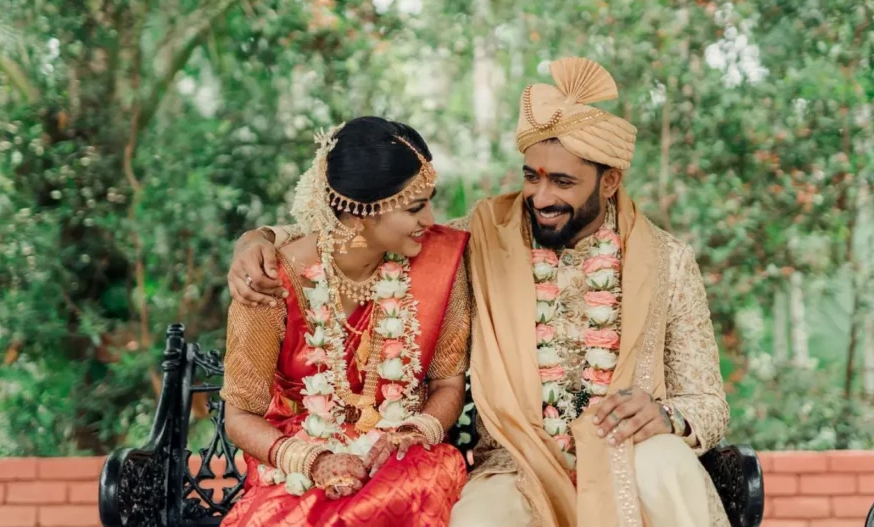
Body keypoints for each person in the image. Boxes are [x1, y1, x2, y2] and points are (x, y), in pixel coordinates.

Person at [231, 59, 730, 527]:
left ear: (609, 182)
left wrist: (667, 415)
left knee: (667, 467)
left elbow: (709, 402)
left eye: (562, 181)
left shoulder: (669, 262)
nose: (541, 197)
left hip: (632, 450)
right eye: (532, 176)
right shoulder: (485, 236)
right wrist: (261, 240)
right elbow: (365, 228)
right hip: (514, 465)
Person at [220, 117, 470, 527]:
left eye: (429, 201)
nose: (430, 219)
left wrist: (414, 429)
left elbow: (446, 384)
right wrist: (313, 459)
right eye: (415, 207)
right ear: (360, 214)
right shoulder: (271, 281)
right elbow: (240, 415)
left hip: (400, 447)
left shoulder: (440, 262)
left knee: (420, 481)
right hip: (298, 452)